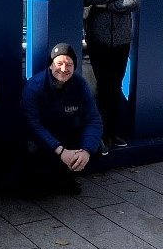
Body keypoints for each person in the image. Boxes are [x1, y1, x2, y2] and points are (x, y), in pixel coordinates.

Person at [75, 0, 139, 154]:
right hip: (98, 40)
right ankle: (99, 135)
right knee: (102, 88)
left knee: (114, 87)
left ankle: (110, 133)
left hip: (121, 42)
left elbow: (134, 1)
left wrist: (101, 2)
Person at [19, 43, 103, 195]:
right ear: (51, 65)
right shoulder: (34, 86)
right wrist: (60, 150)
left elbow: (93, 120)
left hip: (66, 134)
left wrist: (86, 151)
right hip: (43, 139)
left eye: (69, 64)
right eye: (59, 63)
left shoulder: (80, 84)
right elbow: (32, 124)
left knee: (97, 146)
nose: (64, 69)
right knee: (30, 149)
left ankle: (67, 176)